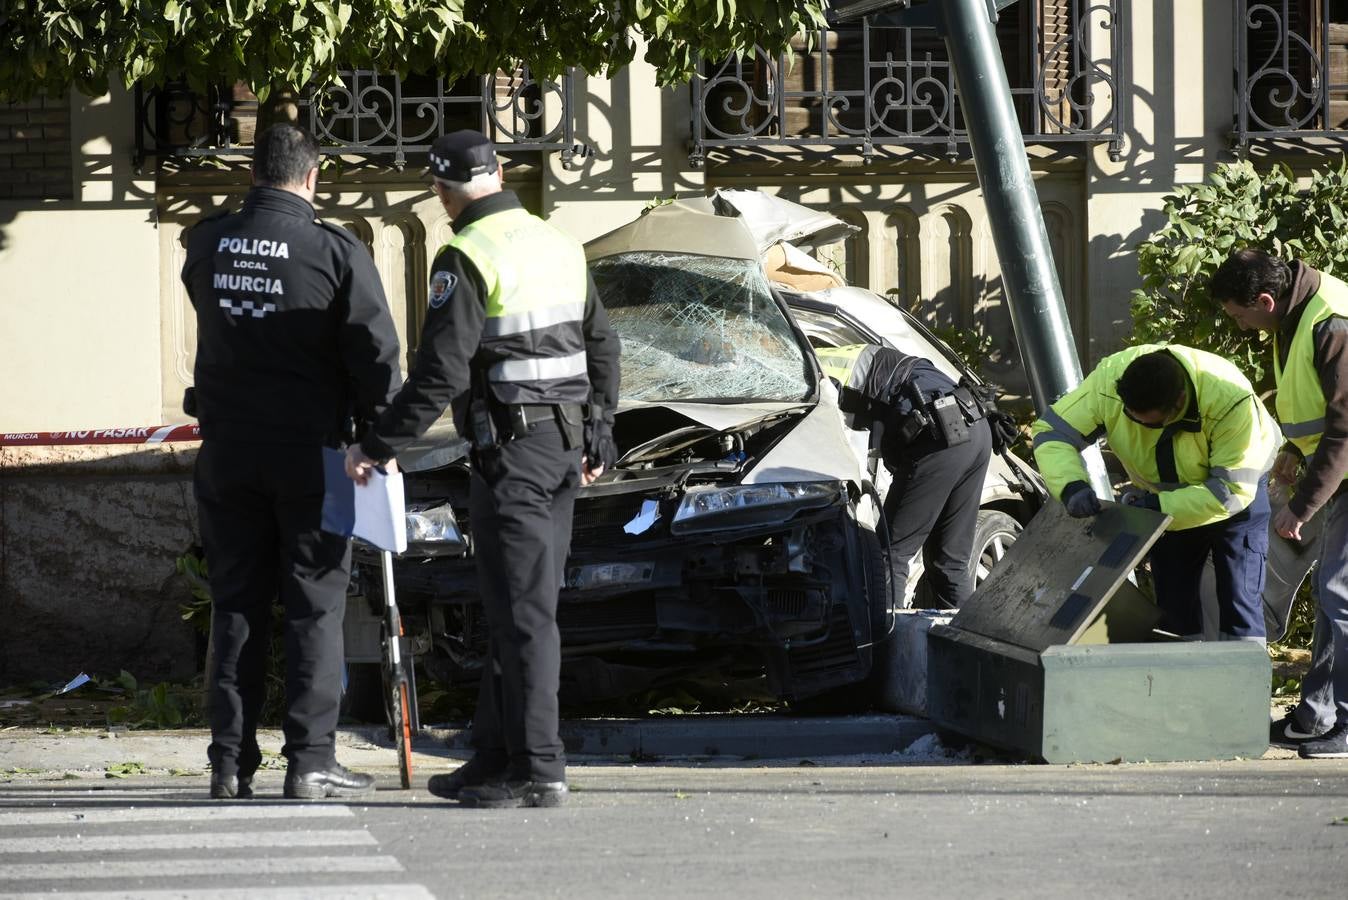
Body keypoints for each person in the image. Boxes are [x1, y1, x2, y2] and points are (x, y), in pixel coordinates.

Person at [345, 130, 621, 807]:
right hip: (560, 448)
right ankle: (496, 754)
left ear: (441, 192)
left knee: (524, 614)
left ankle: (540, 767)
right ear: (499, 173)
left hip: (514, 453)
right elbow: (602, 341)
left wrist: (378, 447)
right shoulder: (555, 241)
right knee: (514, 606)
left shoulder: (464, 254)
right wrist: (600, 432)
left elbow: (439, 373)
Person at [181, 124, 402, 800]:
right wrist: (378, 440)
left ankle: (228, 762)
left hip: (227, 449)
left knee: (236, 602)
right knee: (315, 605)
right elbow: (379, 359)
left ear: (253, 174)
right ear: (312, 178)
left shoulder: (207, 242)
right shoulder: (333, 249)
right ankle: (310, 762)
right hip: (316, 455)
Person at [1031, 344, 1281, 641]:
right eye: (1133, 420)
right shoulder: (1109, 383)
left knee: (1240, 598)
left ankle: (1242, 678)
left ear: (1180, 402)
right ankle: (1178, 680)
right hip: (1162, 503)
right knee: (1174, 606)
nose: (1141, 429)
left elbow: (1230, 493)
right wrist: (1071, 485)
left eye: (1151, 424)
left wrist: (1156, 506)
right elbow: (1052, 432)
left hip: (1237, 496)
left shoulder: (1228, 398)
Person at [1214, 248, 1348, 758]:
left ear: (1266, 300)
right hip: (1338, 475)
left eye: (1240, 315)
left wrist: (1303, 505)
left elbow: (1345, 428)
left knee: (1340, 596)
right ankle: (1317, 717)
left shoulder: (1332, 322)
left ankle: (1341, 722)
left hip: (1342, 475)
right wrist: (1294, 449)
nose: (1242, 325)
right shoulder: (1297, 314)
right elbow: (1320, 407)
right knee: (1334, 594)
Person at [815, 344, 1002, 608]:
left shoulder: (807, 370)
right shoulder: (839, 354)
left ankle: (888, 646)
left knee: (890, 555)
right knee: (949, 562)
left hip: (938, 431)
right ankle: (967, 643)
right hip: (975, 427)